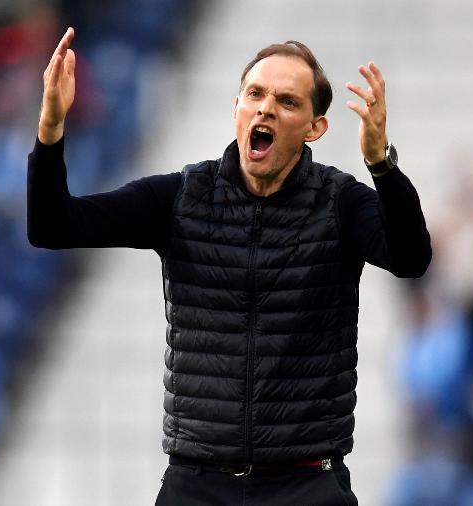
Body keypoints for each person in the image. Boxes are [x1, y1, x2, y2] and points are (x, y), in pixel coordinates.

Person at [28, 27, 432, 505]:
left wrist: (381, 163)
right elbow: (52, 228)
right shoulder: (181, 197)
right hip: (198, 483)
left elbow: (410, 258)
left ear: (315, 127)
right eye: (255, 94)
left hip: (305, 484)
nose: (265, 108)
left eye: (286, 101)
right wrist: (51, 132)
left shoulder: (339, 202)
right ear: (236, 108)